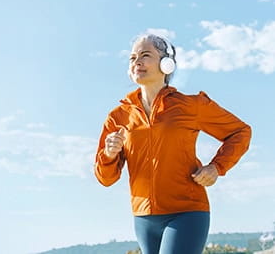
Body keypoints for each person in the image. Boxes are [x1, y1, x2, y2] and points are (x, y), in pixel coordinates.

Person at [94, 33, 251, 254]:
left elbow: (240, 131)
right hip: (143, 218)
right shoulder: (118, 117)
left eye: (145, 55)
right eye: (132, 58)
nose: (137, 61)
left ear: (166, 64)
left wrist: (217, 166)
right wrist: (109, 155)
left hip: (186, 211)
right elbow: (105, 178)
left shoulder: (191, 106)